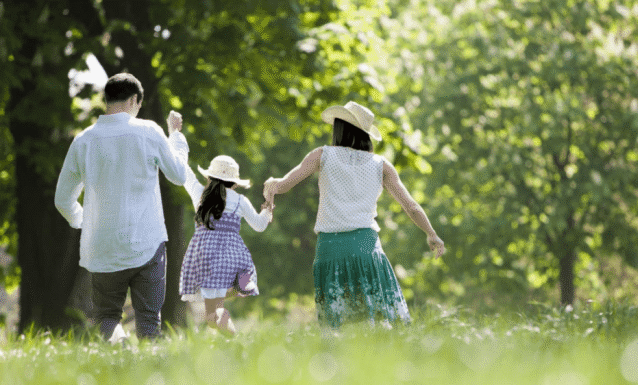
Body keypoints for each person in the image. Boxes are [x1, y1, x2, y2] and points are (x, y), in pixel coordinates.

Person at [263, 101, 445, 327]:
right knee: (378, 322)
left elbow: (283, 185)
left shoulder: (322, 155)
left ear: (338, 128)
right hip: (366, 248)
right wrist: (431, 233)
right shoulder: (381, 165)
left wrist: (270, 186)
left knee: (339, 327)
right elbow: (411, 206)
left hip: (331, 249)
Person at [55, 72, 189, 343]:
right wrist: (176, 136)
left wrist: (84, 221)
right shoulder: (149, 131)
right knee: (149, 319)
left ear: (107, 100)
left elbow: (62, 200)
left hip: (102, 245)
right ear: (134, 100)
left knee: (107, 317)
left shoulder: (83, 140)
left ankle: (110, 373)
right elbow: (178, 175)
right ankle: (149, 378)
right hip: (146, 242)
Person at [179, 155, 273, 335]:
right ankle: (236, 287)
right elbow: (259, 226)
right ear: (235, 183)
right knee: (213, 316)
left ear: (209, 177)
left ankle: (238, 342)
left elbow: (185, 171)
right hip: (231, 258)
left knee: (213, 316)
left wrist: (175, 135)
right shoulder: (240, 200)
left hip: (206, 260)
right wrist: (267, 209)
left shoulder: (200, 194)